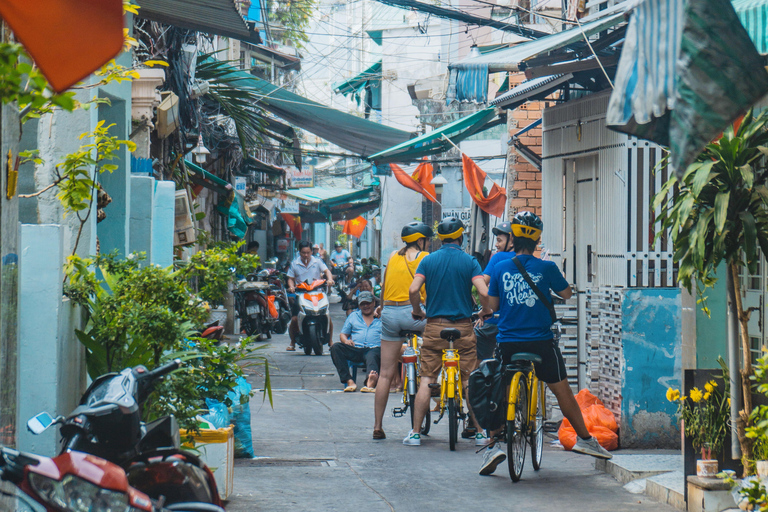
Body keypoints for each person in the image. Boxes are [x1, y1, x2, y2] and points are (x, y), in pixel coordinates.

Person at [479, 211, 611, 476]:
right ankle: (585, 440)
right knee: (562, 389)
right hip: (541, 342)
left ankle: (494, 445)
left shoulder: (502, 266)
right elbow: (566, 293)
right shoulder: (547, 267)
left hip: (508, 343)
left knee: (499, 389)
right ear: (537, 240)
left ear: (514, 238)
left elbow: (492, 306)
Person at [403, 217, 492, 447]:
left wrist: (417, 311)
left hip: (434, 327)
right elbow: (482, 291)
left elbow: (414, 289)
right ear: (461, 236)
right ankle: (481, 432)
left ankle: (414, 433)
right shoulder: (470, 261)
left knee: (427, 379)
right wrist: (485, 310)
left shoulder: (428, 261)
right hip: (462, 328)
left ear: (440, 238)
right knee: (469, 379)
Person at [372, 222, 432, 440]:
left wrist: (382, 306)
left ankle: (378, 426)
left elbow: (384, 286)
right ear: (420, 240)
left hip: (389, 313)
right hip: (415, 314)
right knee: (436, 350)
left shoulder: (392, 257)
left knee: (385, 373)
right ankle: (430, 386)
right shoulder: (425, 257)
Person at [475, 221, 517, 362]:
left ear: (511, 241)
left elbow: (482, 283)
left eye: (499, 240)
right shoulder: (527, 259)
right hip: (518, 323)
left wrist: (485, 309)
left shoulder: (498, 258)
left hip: (496, 321)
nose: (496, 245)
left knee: (476, 338)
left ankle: (483, 373)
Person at [285, 240, 335, 352]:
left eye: (308, 252)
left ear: (312, 251)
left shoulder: (317, 262)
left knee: (326, 314)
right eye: (303, 253)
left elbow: (327, 271)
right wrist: (292, 286)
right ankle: (292, 342)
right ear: (299, 252)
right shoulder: (294, 264)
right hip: (301, 294)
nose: (306, 255)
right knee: (294, 319)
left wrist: (330, 279)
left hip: (317, 292)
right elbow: (290, 279)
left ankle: (331, 341)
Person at [330, 291, 382, 393]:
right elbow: (343, 334)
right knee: (335, 347)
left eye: (368, 303)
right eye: (363, 304)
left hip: (373, 349)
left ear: (374, 303)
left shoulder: (381, 316)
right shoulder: (354, 316)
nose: (366, 306)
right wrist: (346, 341)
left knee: (373, 354)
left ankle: (370, 382)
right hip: (356, 349)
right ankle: (349, 381)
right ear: (359, 305)